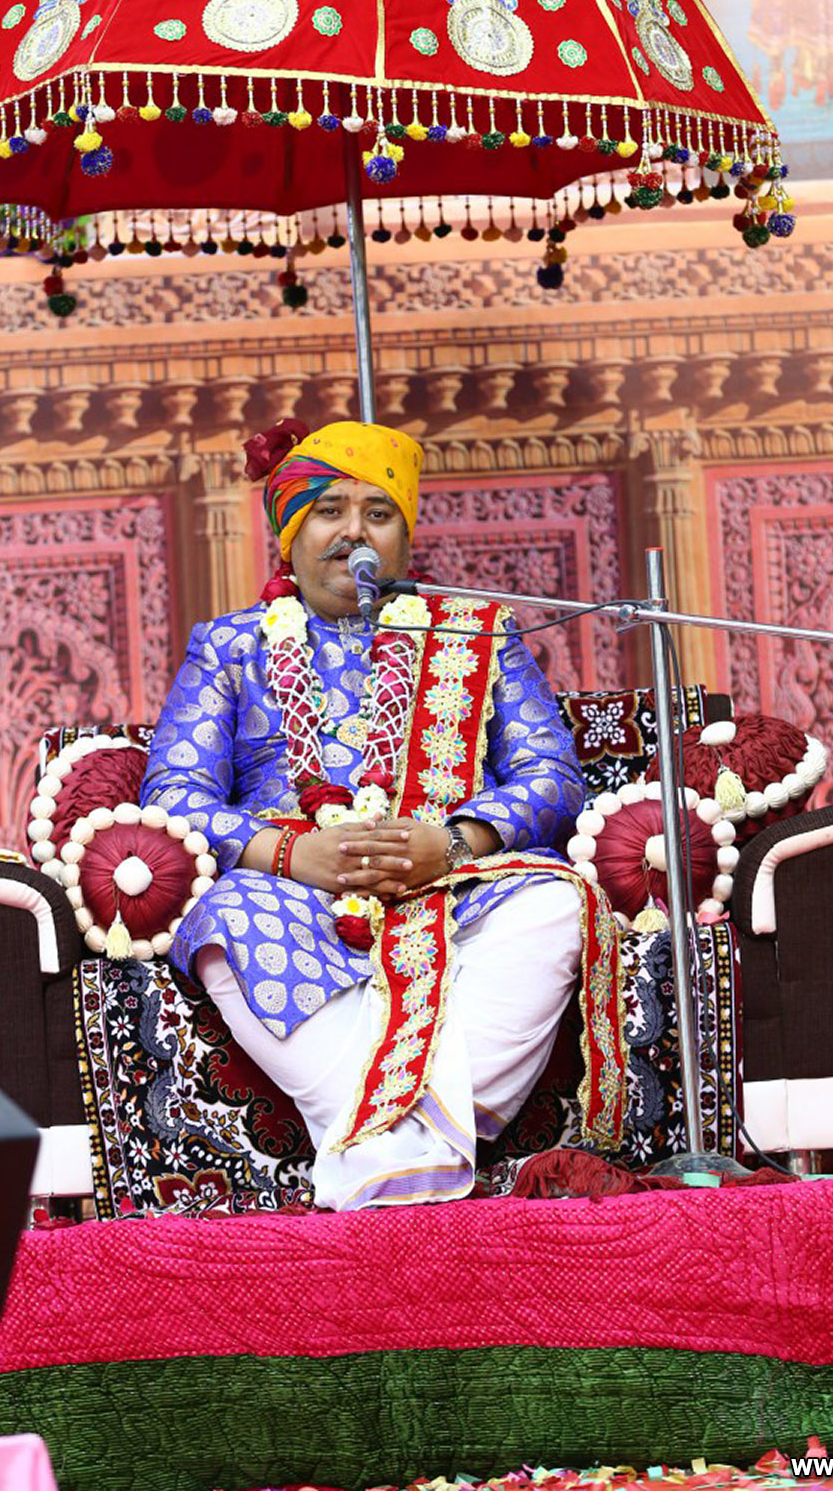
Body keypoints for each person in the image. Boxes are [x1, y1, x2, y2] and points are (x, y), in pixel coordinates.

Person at [140, 418, 624, 1210]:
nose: (352, 532)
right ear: (290, 535)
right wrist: (294, 856)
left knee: (555, 906)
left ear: (404, 535)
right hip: (292, 893)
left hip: (457, 886)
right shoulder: (232, 646)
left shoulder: (475, 635)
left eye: (377, 513)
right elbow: (173, 796)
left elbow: (553, 777)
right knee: (225, 923)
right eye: (328, 511)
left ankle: (381, 1161)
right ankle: (418, 1152)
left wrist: (453, 841)